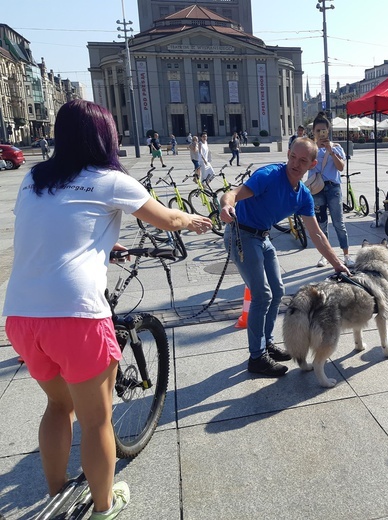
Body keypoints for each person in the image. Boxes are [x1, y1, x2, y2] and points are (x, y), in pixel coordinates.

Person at [2, 100, 212, 520]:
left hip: (21, 315)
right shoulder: (110, 178)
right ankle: (103, 505)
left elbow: (54, 230)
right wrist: (191, 221)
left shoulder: (33, 180)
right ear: (106, 136)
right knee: (97, 421)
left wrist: (102, 244)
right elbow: (165, 219)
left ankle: (58, 489)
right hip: (75, 313)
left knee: (58, 406)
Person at [219, 137, 350, 377]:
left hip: (263, 236)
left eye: (302, 160)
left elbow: (317, 235)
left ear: (312, 164)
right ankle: (256, 358)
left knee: (278, 291)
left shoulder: (303, 196)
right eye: (292, 157)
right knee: (262, 294)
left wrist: (338, 265)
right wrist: (226, 206)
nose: (295, 164)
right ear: (288, 154)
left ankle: (266, 343)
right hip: (242, 234)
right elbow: (233, 194)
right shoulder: (269, 175)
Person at [308, 112, 355, 268]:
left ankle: (346, 255)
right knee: (321, 225)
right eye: (317, 131)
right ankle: (324, 256)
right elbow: (305, 167)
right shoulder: (310, 148)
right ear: (313, 132)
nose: (321, 134)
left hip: (333, 188)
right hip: (317, 189)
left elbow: (341, 167)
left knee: (339, 223)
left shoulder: (336, 147)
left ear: (328, 131)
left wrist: (330, 150)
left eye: (324, 131)